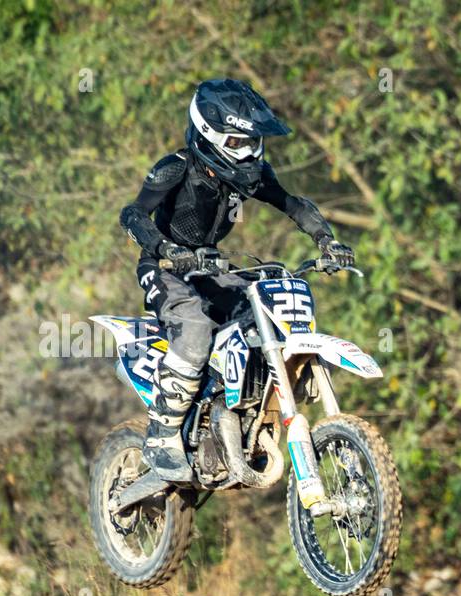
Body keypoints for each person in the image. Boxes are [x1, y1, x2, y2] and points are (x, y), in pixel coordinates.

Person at [119, 78, 354, 482]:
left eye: (252, 144)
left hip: (210, 267)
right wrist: (167, 250)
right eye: (237, 144)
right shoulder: (175, 167)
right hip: (164, 268)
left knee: (265, 310)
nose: (248, 154)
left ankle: (235, 406)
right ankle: (162, 435)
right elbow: (133, 215)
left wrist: (326, 241)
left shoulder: (253, 175)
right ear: (209, 136)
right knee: (193, 333)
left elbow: (293, 204)